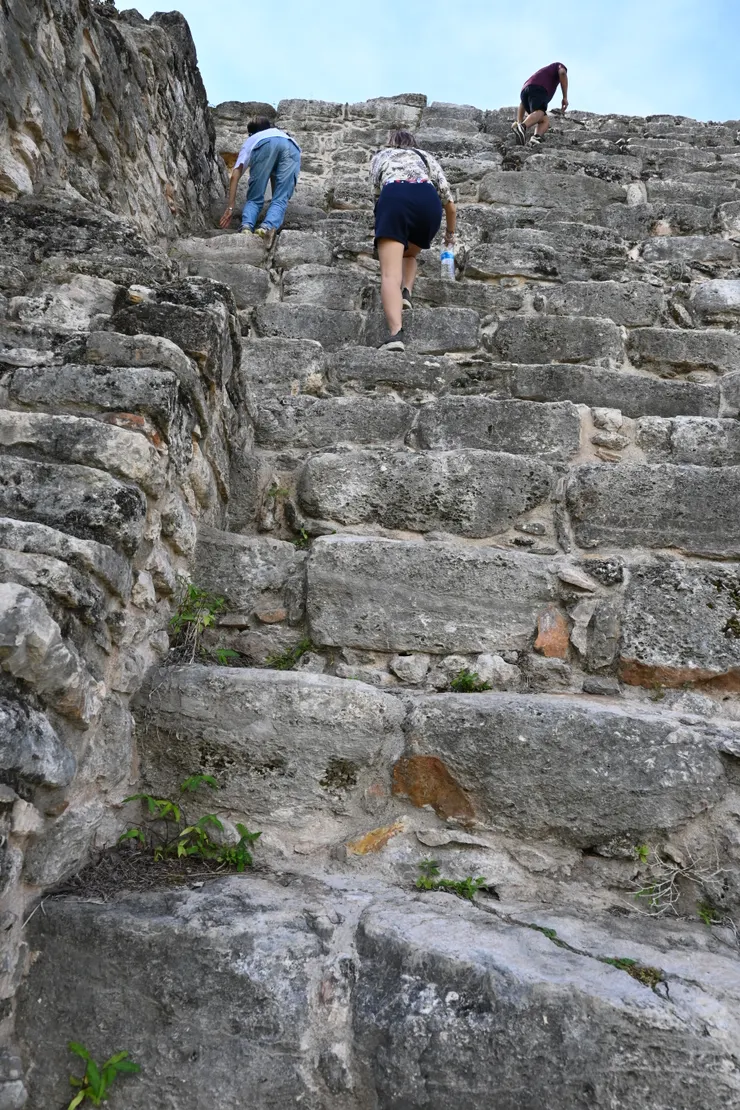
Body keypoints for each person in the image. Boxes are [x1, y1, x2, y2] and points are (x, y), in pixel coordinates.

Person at [370, 130, 456, 352]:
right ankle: (406, 291)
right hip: (428, 202)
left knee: (389, 274)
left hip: (394, 196)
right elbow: (449, 203)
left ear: (391, 143)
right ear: (414, 144)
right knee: (409, 253)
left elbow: (377, 195)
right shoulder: (425, 157)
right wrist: (449, 235)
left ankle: (395, 334)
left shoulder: (381, 156)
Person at [219, 117, 301, 242]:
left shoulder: (253, 139)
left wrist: (230, 207)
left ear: (251, 133)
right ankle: (267, 227)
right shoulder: (281, 134)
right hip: (292, 146)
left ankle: (246, 227)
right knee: (280, 198)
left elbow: (235, 176)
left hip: (264, 145)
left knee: (255, 197)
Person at [512, 63, 568, 147]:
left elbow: (522, 103)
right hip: (539, 88)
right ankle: (522, 127)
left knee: (544, 121)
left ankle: (535, 138)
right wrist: (565, 97)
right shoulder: (558, 65)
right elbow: (562, 73)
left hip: (524, 91)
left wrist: (518, 121)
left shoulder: (541, 74)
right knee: (540, 112)